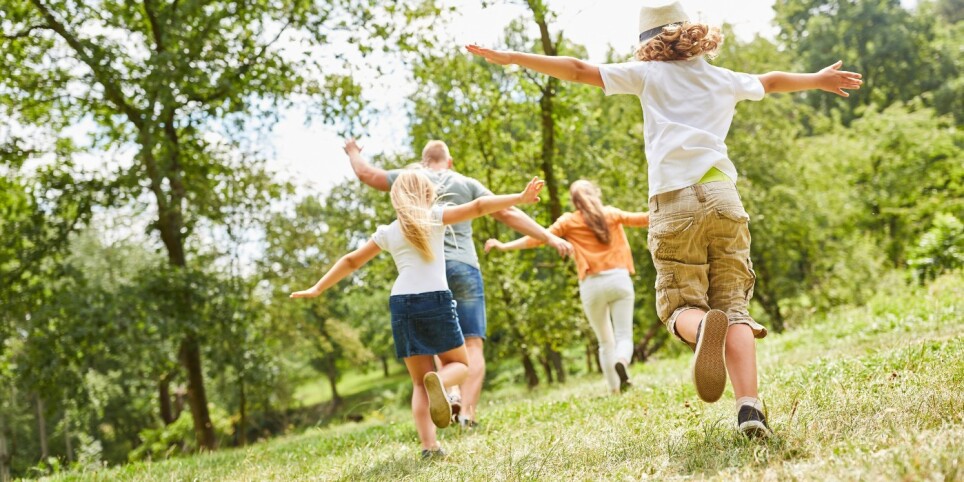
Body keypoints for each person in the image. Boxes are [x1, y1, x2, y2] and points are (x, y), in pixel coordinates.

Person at [467, 0, 861, 437]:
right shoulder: (721, 78)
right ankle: (750, 409)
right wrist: (819, 79)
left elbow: (578, 68)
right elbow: (769, 81)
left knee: (678, 305)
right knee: (734, 307)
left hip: (674, 203)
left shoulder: (648, 75)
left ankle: (699, 328)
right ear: (693, 34)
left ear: (649, 44)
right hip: (724, 198)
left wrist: (514, 57)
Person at [290, 170, 546, 458]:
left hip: (401, 303)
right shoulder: (434, 217)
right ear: (427, 194)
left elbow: (351, 261)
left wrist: (317, 287)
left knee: (418, 382)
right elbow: (477, 207)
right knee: (460, 365)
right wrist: (520, 198)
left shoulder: (387, 231)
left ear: (396, 198)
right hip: (435, 299)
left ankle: (429, 446)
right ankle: (441, 381)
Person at [344, 138, 572, 428]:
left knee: (442, 344)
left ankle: (449, 393)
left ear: (423, 160)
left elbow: (367, 174)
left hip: (426, 274)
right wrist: (549, 236)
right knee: (471, 345)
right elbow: (505, 212)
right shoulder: (465, 182)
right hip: (464, 267)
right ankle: (467, 413)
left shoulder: (409, 178)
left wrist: (353, 151)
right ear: (449, 162)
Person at [484, 180, 649, 394]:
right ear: (595, 194)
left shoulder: (569, 221)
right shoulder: (611, 214)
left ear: (574, 201)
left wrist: (505, 246)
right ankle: (622, 361)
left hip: (591, 285)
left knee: (604, 341)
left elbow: (539, 237)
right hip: (619, 279)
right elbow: (645, 219)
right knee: (623, 336)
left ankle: (614, 390)